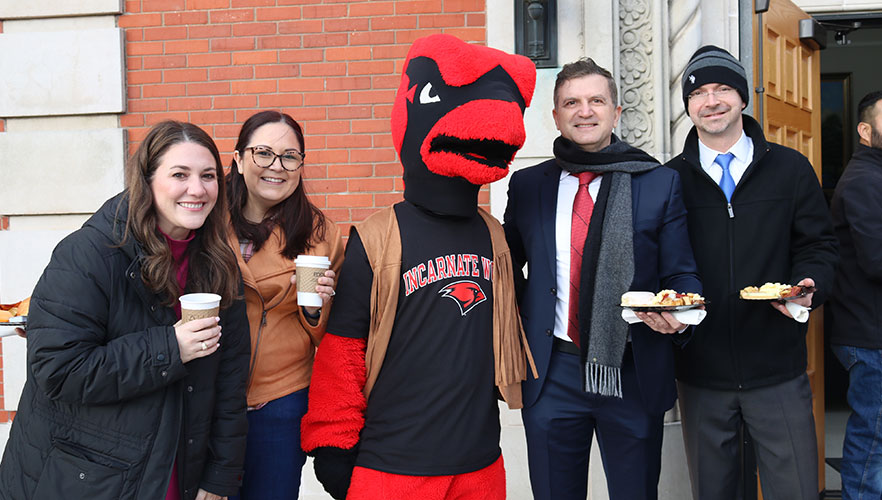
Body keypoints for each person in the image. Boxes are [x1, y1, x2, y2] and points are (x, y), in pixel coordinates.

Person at [299, 33, 537, 500]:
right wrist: (333, 442)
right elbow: (343, 348)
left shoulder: (496, 237)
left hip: (479, 461)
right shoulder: (375, 237)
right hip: (392, 465)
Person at [0, 121, 250, 500]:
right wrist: (171, 347)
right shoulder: (89, 254)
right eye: (179, 174)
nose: (197, 189)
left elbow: (229, 386)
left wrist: (218, 480)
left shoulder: (218, 263)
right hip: (85, 480)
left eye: (209, 176)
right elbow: (58, 369)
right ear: (147, 179)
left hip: (176, 474)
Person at [503, 57, 702, 500]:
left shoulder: (658, 182)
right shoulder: (528, 185)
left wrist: (683, 308)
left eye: (596, 100)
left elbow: (681, 269)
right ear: (555, 116)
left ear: (616, 111)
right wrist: (516, 322)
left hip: (632, 370)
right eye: (571, 102)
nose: (584, 111)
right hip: (551, 370)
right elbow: (504, 264)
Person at [667, 45, 838, 500]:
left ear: (743, 98)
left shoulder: (791, 169)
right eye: (699, 92)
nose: (712, 100)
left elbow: (820, 247)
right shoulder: (668, 180)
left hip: (776, 369)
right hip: (701, 372)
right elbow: (657, 264)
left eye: (723, 87)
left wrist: (807, 288)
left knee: (796, 490)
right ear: (688, 105)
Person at [224, 110, 343, 500]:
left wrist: (317, 307)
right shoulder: (204, 220)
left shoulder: (320, 232)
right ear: (239, 160)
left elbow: (330, 336)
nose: (276, 166)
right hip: (209, 400)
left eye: (289, 157)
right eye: (263, 153)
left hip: (281, 399)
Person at [829, 90, 882, 500]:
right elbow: (877, 259)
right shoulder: (865, 180)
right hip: (871, 336)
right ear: (866, 130)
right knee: (872, 439)